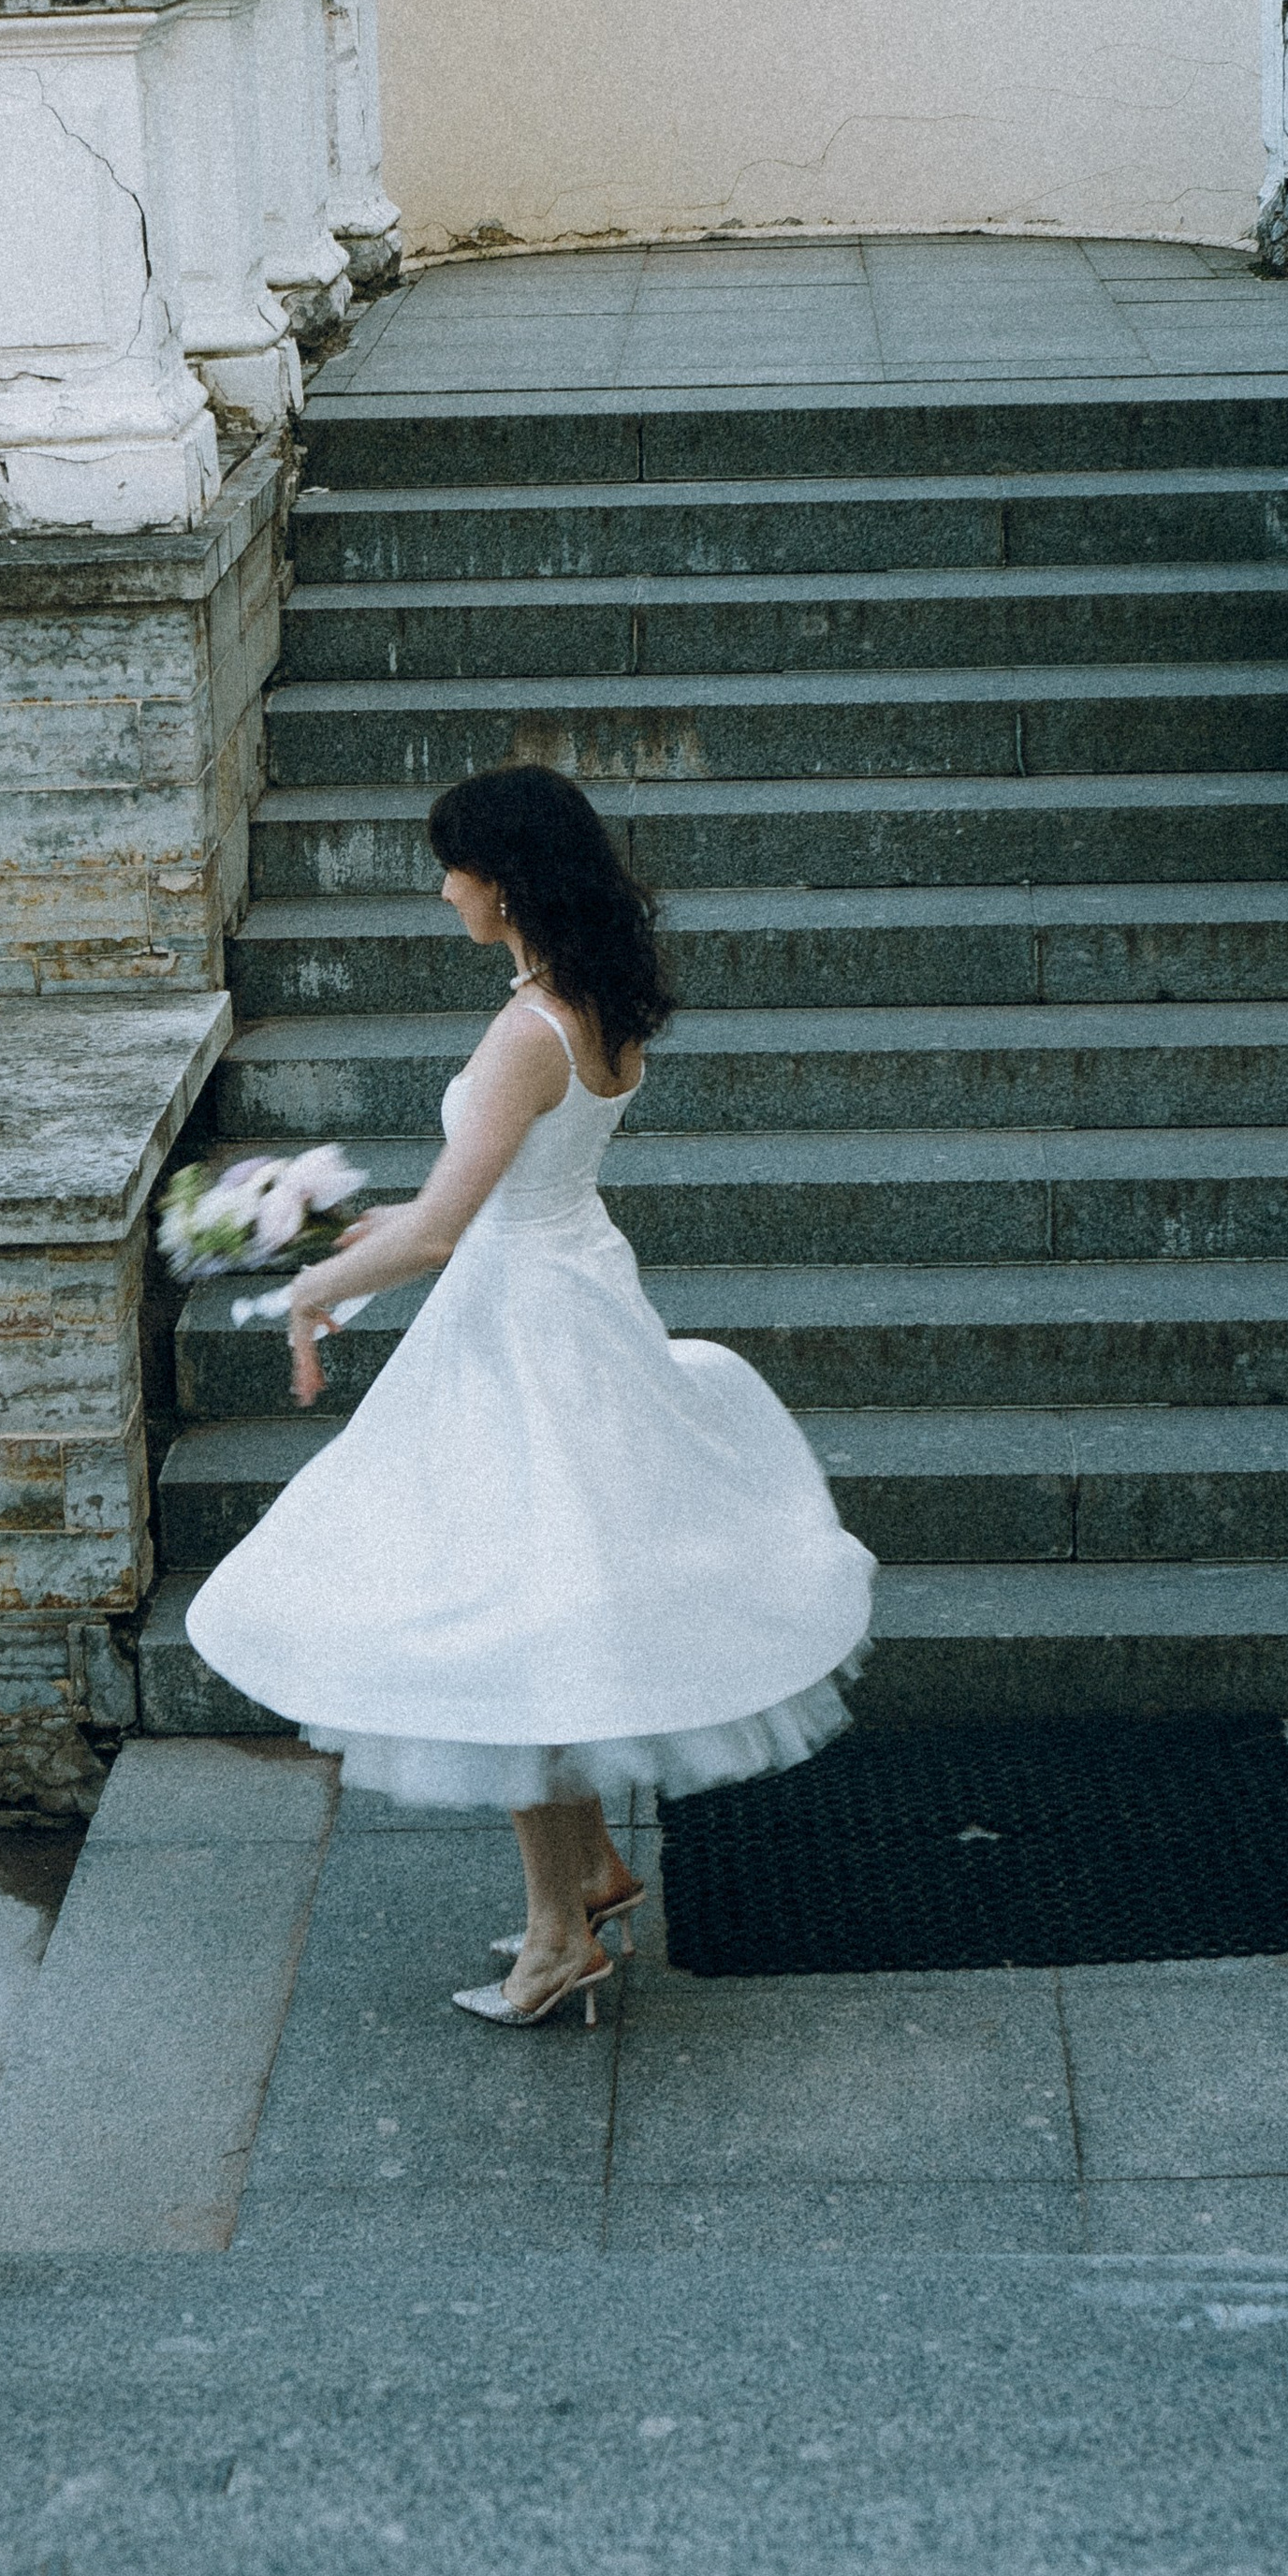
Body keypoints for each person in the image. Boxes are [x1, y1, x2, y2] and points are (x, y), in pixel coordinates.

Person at [186, 763, 874, 2026]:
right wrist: (346, 1225)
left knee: (502, 1612)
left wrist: (306, 1291)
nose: (442, 892)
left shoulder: (525, 1031)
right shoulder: (594, 1000)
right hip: (570, 1293)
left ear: (500, 884)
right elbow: (497, 1190)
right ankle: (592, 1871)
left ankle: (560, 1940)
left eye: (450, 871)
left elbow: (446, 1229)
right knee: (539, 1604)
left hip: (521, 1335)